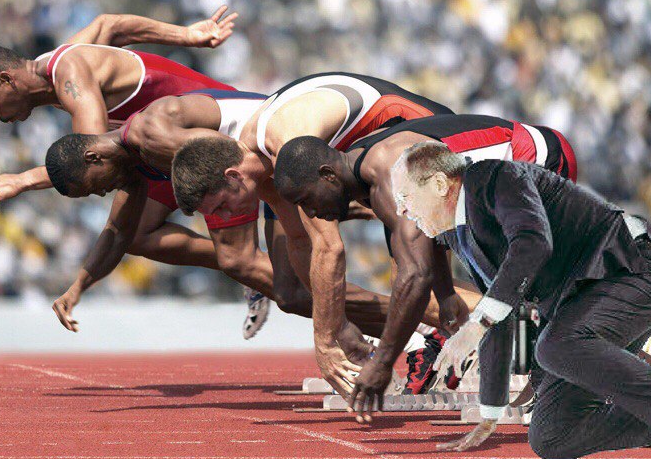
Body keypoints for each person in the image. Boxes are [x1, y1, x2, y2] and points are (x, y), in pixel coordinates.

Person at [347, 141, 651, 459]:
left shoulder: (495, 177)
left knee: (555, 346)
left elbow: (533, 243)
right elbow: (502, 314)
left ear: (439, 183)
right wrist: (490, 412)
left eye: (404, 196)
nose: (401, 210)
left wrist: (476, 325)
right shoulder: (460, 235)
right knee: (552, 436)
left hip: (634, 269)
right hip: (583, 303)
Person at [43, 89, 448, 353]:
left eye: (92, 188)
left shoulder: (151, 136)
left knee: (248, 261)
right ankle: (412, 330)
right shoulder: (133, 168)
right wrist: (78, 287)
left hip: (275, 161)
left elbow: (234, 162)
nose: (100, 194)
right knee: (289, 293)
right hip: (264, 171)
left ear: (93, 158)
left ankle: (425, 326)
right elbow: (118, 232)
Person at [0, 6, 268, 337]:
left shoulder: (69, 73)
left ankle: (258, 272)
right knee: (137, 235)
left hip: (207, 136)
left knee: (241, 261)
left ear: (7, 80)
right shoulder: (58, 64)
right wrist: (186, 35)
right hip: (161, 153)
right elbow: (111, 26)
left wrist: (21, 180)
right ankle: (253, 272)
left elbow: (89, 154)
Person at [169, 72, 478, 393]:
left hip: (423, 136)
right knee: (413, 285)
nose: (227, 217)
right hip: (386, 152)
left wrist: (326, 342)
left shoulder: (285, 148)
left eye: (221, 206)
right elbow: (300, 241)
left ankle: (506, 338)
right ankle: (476, 336)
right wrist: (338, 325)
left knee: (419, 287)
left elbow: (329, 249)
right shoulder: (261, 163)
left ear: (233, 176)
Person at [271, 113, 576, 392]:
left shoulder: (389, 172)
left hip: (535, 155)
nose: (310, 212)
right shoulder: (365, 176)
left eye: (306, 199)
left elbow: (416, 275)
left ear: (328, 175)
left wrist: (383, 362)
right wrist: (445, 294)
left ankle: (559, 376)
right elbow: (430, 232)